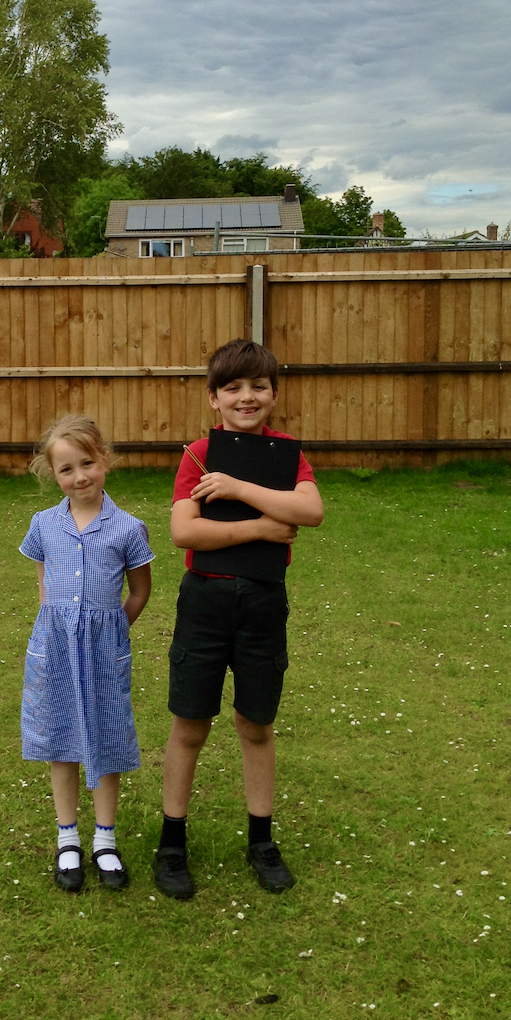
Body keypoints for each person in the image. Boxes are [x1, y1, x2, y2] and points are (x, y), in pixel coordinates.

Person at [154, 339, 324, 900]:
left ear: (273, 394)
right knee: (190, 724)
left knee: (256, 724)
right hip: (205, 602)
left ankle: (261, 840)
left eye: (258, 386)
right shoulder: (198, 454)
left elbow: (310, 511)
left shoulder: (287, 455)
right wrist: (259, 525)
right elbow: (185, 532)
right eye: (233, 388)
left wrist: (236, 490)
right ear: (214, 399)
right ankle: (172, 842)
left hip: (262, 605)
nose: (246, 397)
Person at [20, 414, 154, 893]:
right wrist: (54, 625)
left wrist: (113, 630)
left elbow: (139, 591)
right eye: (67, 469)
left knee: (106, 738)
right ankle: (68, 837)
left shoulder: (128, 529)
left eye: (88, 464)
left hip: (103, 651)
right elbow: (42, 578)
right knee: (61, 740)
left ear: (106, 461)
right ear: (52, 475)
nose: (80, 477)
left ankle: (105, 839)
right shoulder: (43, 524)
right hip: (55, 650)